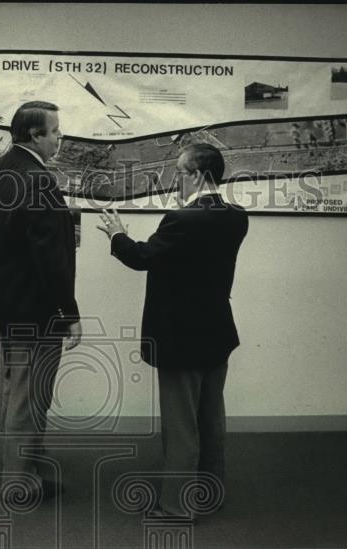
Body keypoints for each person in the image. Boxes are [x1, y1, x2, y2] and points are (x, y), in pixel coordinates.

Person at [97, 143, 248, 519]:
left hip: (182, 338)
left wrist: (117, 234)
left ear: (197, 175)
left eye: (179, 173)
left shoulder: (182, 219)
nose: (173, 181)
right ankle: (211, 493)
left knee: (181, 425)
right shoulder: (236, 217)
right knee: (211, 420)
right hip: (217, 332)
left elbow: (142, 258)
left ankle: (178, 506)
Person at [0, 100, 81, 502]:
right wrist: (67, 312)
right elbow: (50, 257)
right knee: (29, 395)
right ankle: (18, 485)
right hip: (36, 308)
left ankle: (32, 470)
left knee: (25, 388)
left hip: (6, 301)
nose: (59, 137)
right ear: (35, 135)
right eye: (54, 131)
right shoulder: (38, 180)